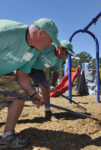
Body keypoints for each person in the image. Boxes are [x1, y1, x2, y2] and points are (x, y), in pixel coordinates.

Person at [0, 18, 60, 149]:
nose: (50, 45)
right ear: (41, 33)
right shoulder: (6, 32)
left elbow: (22, 75)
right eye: (50, 40)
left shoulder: (34, 50)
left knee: (20, 95)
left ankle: (7, 137)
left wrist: (33, 94)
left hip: (3, 74)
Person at [29, 40, 75, 120]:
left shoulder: (60, 59)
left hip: (38, 69)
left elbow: (56, 72)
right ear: (60, 48)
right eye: (66, 53)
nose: (66, 56)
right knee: (20, 87)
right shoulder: (48, 46)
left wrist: (53, 84)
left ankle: (48, 112)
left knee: (45, 87)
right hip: (28, 64)